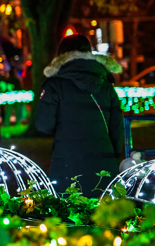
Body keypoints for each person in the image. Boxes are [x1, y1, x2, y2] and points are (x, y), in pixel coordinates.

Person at [35, 34, 123, 197]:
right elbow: (117, 128)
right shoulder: (106, 84)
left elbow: (43, 125)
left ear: (61, 55)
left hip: (67, 164)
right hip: (103, 164)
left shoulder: (55, 85)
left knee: (69, 209)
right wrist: (112, 157)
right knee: (103, 209)